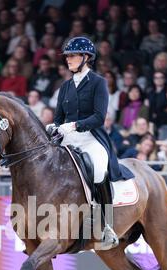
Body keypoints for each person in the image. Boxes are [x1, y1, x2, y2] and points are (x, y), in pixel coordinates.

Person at [51, 37, 134, 250]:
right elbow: (59, 117)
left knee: (97, 169)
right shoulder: (66, 86)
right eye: (67, 56)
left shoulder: (98, 83)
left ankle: (105, 225)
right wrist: (55, 126)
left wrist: (76, 125)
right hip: (68, 139)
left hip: (91, 138)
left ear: (86, 58)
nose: (68, 60)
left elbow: (99, 116)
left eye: (73, 56)